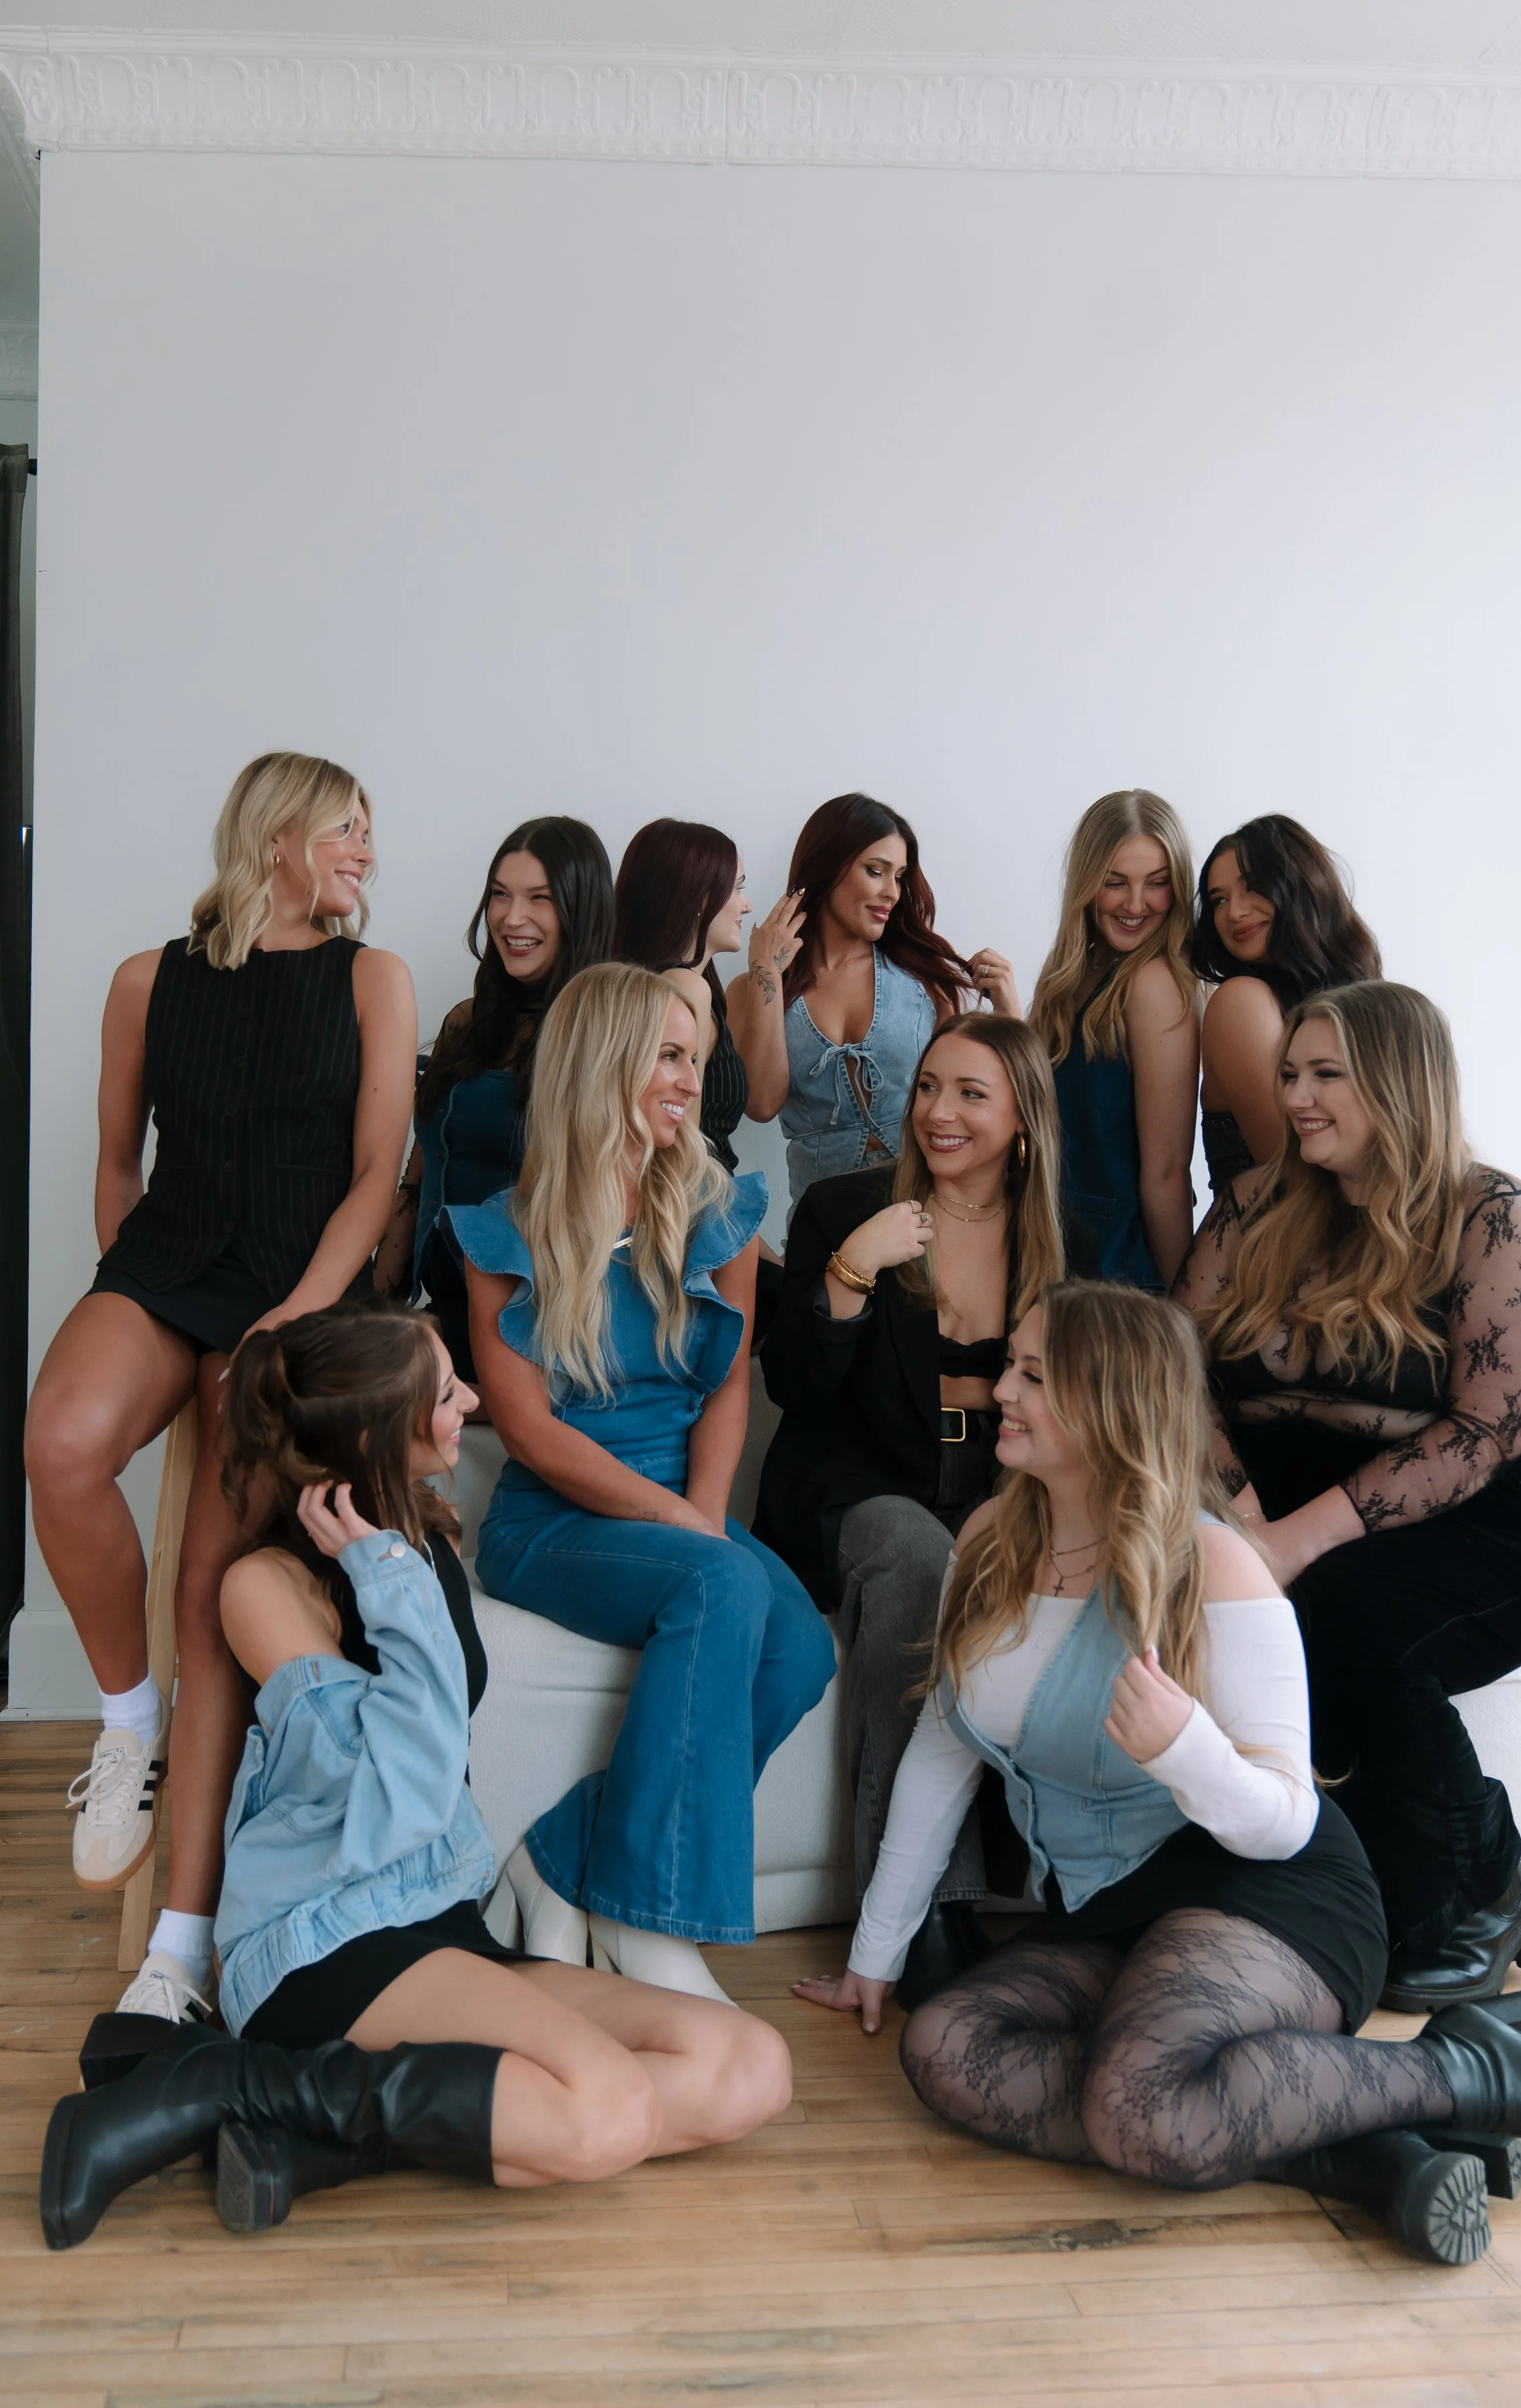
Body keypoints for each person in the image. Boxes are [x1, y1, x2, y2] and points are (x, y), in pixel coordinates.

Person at [793, 1283, 1521, 2267]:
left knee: (1137, 2101)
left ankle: (1479, 2069)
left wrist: (1186, 1752)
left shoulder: (1216, 1563)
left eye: (1035, 1373)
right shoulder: (994, 1543)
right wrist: (876, 1953)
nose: (1003, 1389)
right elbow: (942, 1755)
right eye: (1013, 1366)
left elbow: (1287, 1819)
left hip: (1268, 1887)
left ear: (1111, 1400)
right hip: (1114, 1901)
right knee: (947, 2045)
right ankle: (1356, 2153)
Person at [41, 1306, 794, 2254]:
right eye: (446, 1393)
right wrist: (381, 1572)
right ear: (372, 1437)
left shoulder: (421, 1545)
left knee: (747, 2065)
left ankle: (311, 2141)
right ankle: (223, 2080)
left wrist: (394, 1562)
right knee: (606, 2108)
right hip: (324, 1942)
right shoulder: (266, 1588)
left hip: (437, 1916)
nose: (472, 1402)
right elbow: (403, 1784)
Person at [23, 752, 417, 2028]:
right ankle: (125, 1725)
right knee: (60, 1443)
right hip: (172, 1263)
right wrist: (123, 1282)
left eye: (369, 832)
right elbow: (114, 1161)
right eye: (345, 828)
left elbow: (375, 1174)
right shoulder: (148, 981)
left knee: (207, 1591)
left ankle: (178, 1950)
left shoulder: (376, 980)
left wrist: (296, 1313)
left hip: (301, 1287)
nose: (363, 850)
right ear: (278, 834)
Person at [1174, 979, 1521, 2009]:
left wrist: (1294, 1544)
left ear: (1398, 1081)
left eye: (1328, 1074)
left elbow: (1490, 1426)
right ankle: (1330, 1896)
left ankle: (1477, 1885)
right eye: (1292, 1073)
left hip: (1463, 1516)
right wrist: (1246, 1520)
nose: (1296, 1097)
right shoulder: (1252, 1205)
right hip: (1263, 1497)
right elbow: (1171, 1365)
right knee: (1240, 1602)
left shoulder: (1491, 1216)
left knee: (1341, 1611)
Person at [446, 963, 837, 2003]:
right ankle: (646, 1916)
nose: (687, 1080)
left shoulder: (721, 1213)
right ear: (602, 1059)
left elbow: (726, 1391)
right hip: (551, 1522)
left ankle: (563, 1855)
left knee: (798, 1646)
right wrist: (685, 1531)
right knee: (722, 1586)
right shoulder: (504, 1229)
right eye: (669, 1055)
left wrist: (703, 1518)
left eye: (694, 1059)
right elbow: (526, 1428)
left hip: (681, 1508)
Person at [755, 1014, 1075, 1999]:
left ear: (1023, 1117)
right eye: (928, 1086)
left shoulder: (1066, 1235)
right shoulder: (846, 1208)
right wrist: (854, 1267)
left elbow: (1077, 1398)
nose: (937, 1112)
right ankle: (928, 1914)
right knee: (920, 1561)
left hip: (1000, 1490)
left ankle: (1099, 1900)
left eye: (971, 1094)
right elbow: (798, 1388)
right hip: (856, 1489)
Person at [374, 817, 613, 1378]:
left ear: (581, 910)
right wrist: (374, 1309)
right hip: (446, 1300)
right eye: (499, 896)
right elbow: (421, 1172)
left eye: (540, 898)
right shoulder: (468, 1019)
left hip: (539, 1319)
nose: (511, 917)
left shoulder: (606, 1033)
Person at [727, 793, 1019, 1207]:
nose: (892, 893)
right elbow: (760, 1103)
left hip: (923, 1216)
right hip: (821, 1227)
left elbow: (978, 1099)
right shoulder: (753, 987)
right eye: (876, 871)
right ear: (828, 868)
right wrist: (767, 971)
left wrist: (1008, 1015)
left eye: (899, 876)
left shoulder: (922, 980)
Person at [1029, 791, 1199, 1292]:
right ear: (1086, 884)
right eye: (1114, 882)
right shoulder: (1071, 975)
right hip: (1055, 1257)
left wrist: (1183, 1314)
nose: (1135, 904)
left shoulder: (1156, 985)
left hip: (1120, 1277)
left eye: (1158, 884)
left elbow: (1167, 1174)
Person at [1190, 813, 1381, 1194]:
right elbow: (1297, 1179)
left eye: (1253, 888)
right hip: (1276, 1245)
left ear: (1300, 883)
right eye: (1219, 901)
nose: (1234, 912)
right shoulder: (1240, 1003)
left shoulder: (1355, 1001)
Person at [613, 817, 753, 1175]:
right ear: (699, 896)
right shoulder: (685, 987)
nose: (747, 905)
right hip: (696, 1205)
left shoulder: (673, 982)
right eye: (737, 888)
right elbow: (681, 1146)